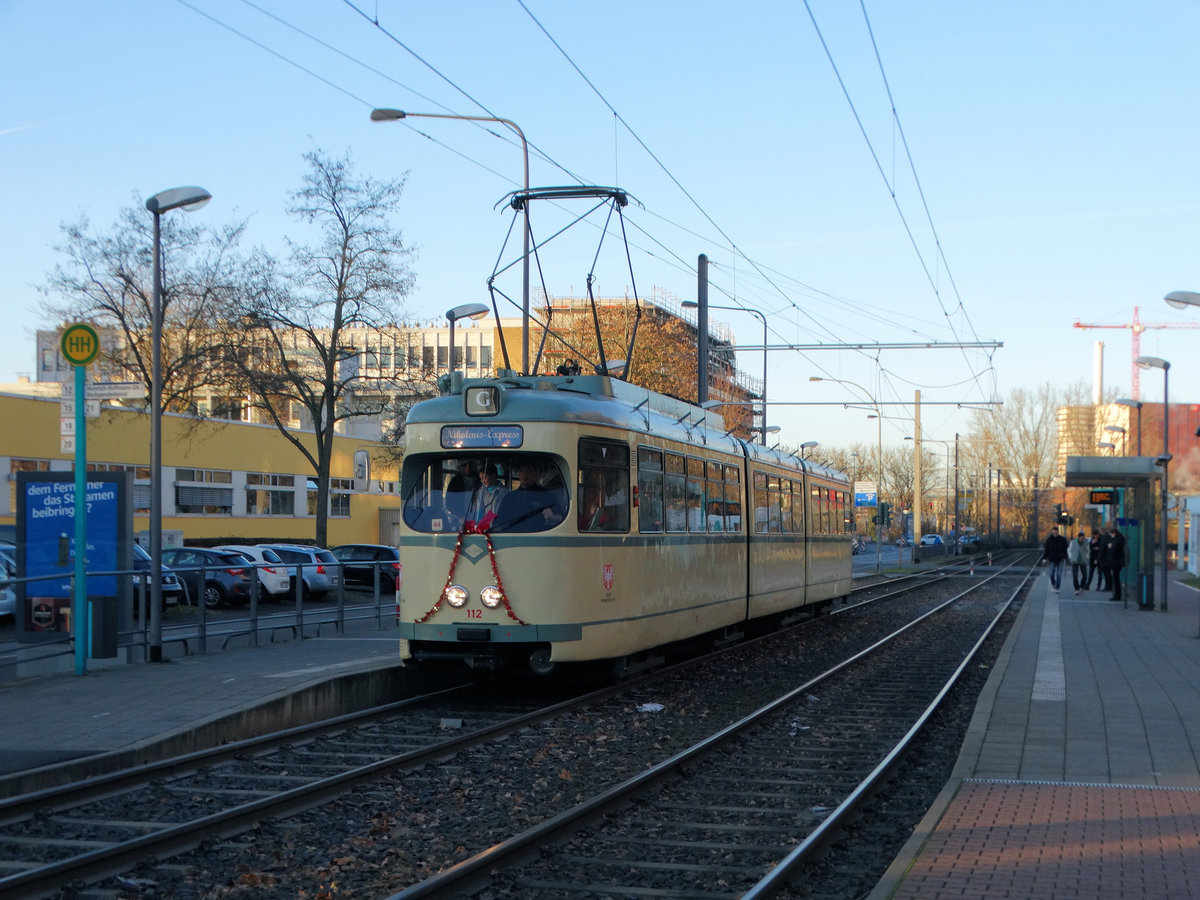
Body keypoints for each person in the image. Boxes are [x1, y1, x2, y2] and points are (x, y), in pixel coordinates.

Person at [493, 461, 565, 532]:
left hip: (539, 537)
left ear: (535, 474)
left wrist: (552, 516)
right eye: (522, 471)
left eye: (529, 471)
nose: (525, 474)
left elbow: (561, 518)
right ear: (519, 474)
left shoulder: (546, 495)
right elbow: (499, 522)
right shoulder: (510, 497)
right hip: (513, 538)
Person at [465, 463, 508, 530]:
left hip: (499, 528)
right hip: (484, 529)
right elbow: (478, 512)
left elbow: (501, 514)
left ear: (494, 476)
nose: (482, 481)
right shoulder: (480, 492)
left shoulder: (504, 492)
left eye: (485, 478)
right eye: (481, 479)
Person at [1103, 523, 1128, 602]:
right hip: (1118, 562)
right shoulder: (1120, 539)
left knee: (1115, 579)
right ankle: (1117, 594)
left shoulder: (1117, 541)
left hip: (1116, 562)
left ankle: (1117, 595)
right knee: (1116, 578)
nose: (1111, 535)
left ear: (1114, 533)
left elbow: (1114, 551)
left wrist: (1110, 547)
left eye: (1111, 534)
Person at [1041, 526, 1069, 593]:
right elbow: (1046, 550)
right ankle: (1054, 584)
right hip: (1052, 559)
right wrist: (1044, 558)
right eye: (1054, 532)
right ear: (1052, 532)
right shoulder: (1049, 540)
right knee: (1051, 574)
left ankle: (1057, 587)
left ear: (1058, 532)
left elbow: (1065, 549)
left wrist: (1065, 556)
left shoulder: (1062, 539)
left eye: (1056, 532)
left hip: (1060, 559)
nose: (1055, 533)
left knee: (1059, 574)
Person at [1067, 530, 1089, 595]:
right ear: (1079, 537)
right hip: (1075, 560)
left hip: (1082, 560)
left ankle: (1082, 586)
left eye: (1083, 538)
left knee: (1085, 575)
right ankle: (1076, 589)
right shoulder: (1073, 542)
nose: (1082, 539)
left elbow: (1088, 551)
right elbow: (1069, 550)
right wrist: (1071, 557)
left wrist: (1086, 557)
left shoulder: (1086, 543)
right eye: (1081, 538)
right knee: (1075, 576)